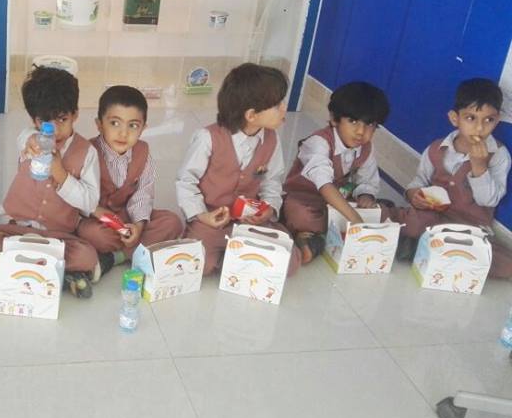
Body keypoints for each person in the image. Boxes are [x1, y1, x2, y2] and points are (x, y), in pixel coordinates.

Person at [0, 66, 100, 297]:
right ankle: (54, 273)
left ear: (75, 114)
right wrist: (32, 138)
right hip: (18, 230)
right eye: (45, 122)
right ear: (34, 120)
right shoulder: (30, 140)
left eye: (63, 119)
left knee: (87, 256)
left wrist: (62, 175)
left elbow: (90, 202)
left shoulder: (87, 152)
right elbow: (24, 138)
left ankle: (16, 267)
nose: (54, 130)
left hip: (58, 236)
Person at [177, 63, 301, 275]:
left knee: (289, 263)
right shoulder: (207, 138)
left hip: (249, 223)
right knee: (197, 264)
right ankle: (238, 260)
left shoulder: (272, 140)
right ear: (251, 115)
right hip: (212, 219)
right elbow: (186, 181)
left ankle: (236, 258)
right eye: (277, 104)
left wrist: (269, 209)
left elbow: (272, 181)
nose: (284, 108)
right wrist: (201, 215)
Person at [396, 78, 512, 277]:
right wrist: (413, 194)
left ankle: (423, 249)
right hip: (431, 217)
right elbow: (419, 181)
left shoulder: (499, 155)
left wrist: (479, 167)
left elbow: (488, 200)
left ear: (497, 120)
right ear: (454, 118)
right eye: (471, 118)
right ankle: (427, 247)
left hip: (468, 228)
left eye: (489, 120)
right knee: (412, 222)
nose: (479, 128)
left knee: (503, 264)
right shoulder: (436, 148)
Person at [76, 85, 183, 277]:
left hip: (128, 218)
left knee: (172, 223)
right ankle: (132, 250)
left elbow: (144, 193)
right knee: (93, 235)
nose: (123, 133)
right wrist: (101, 217)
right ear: (99, 124)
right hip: (97, 220)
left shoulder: (143, 152)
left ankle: (115, 257)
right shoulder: (87, 151)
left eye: (133, 125)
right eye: (115, 123)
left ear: (143, 128)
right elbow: (80, 197)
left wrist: (139, 226)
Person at [282, 81, 392, 264]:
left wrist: (366, 194)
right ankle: (311, 235)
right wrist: (355, 218)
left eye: (370, 124)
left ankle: (315, 238)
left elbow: (368, 180)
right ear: (334, 119)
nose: (361, 131)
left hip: (341, 202)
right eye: (353, 121)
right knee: (301, 216)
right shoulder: (319, 142)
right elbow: (325, 186)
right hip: (306, 200)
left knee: (383, 213)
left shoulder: (366, 148)